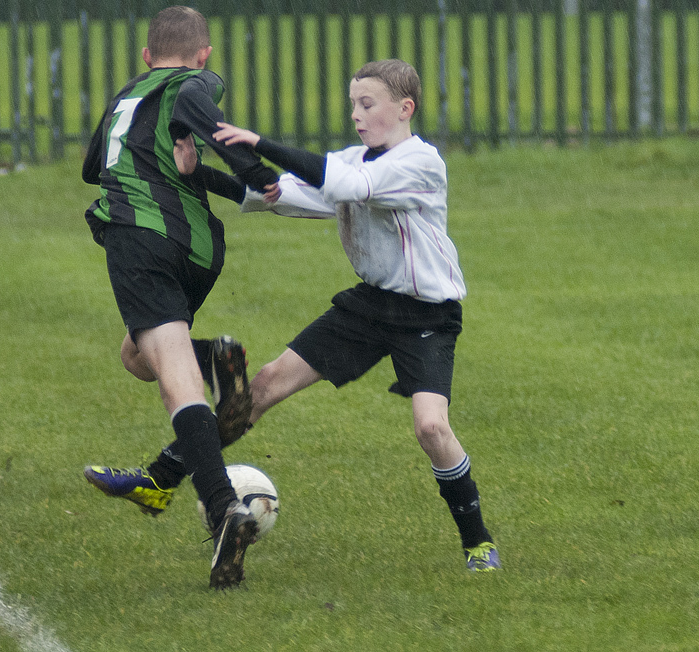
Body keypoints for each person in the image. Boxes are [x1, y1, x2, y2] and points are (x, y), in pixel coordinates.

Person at [156, 58, 499, 572]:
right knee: (265, 384)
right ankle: (164, 475)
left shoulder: (420, 162)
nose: (357, 115)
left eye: (368, 104)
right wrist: (200, 173)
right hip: (369, 306)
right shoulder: (356, 158)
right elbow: (284, 196)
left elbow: (344, 186)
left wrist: (257, 145)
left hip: (426, 314)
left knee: (431, 427)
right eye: (353, 105)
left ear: (405, 108)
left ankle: (478, 543)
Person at [80, 5, 278, 589]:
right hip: (196, 247)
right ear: (205, 49)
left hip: (140, 237)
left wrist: (254, 171)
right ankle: (210, 358)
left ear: (147, 56)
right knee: (136, 357)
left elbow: (95, 165)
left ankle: (222, 510)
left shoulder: (142, 92)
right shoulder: (187, 79)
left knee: (169, 372)